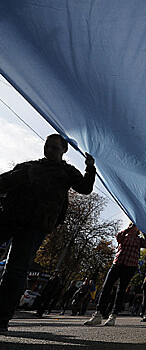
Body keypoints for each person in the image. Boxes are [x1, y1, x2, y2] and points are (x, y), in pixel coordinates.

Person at [0, 134, 95, 333]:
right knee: (14, 270)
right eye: (47, 146)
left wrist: (90, 167)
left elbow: (85, 188)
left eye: (54, 147)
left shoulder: (67, 172)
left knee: (15, 271)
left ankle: (2, 318)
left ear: (64, 150)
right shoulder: (30, 166)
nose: (49, 150)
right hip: (10, 217)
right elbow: (4, 182)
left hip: (36, 225)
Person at [84, 223, 146, 326]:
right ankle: (98, 314)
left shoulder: (139, 240)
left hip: (130, 267)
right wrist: (127, 229)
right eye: (132, 225)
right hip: (117, 264)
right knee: (106, 288)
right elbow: (118, 236)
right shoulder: (123, 237)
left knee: (121, 291)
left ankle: (113, 315)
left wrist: (144, 232)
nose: (134, 227)